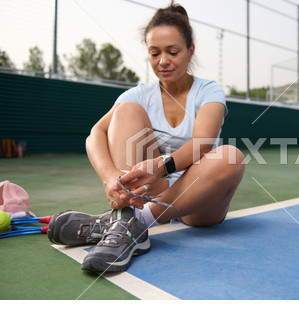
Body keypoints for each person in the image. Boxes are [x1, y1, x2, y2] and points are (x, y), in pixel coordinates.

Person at [47, 3, 245, 272]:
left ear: (190, 51)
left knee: (231, 158)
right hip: (152, 191)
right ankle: (126, 220)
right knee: (127, 111)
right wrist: (109, 177)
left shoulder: (209, 91)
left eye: (173, 52)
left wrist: (161, 166)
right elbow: (95, 134)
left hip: (199, 204)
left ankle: (134, 222)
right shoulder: (139, 95)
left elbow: (203, 143)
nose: (163, 60)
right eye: (154, 53)